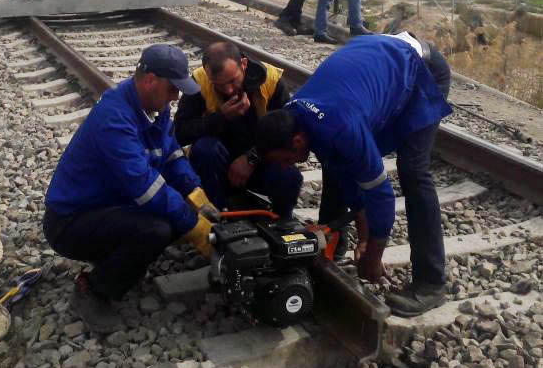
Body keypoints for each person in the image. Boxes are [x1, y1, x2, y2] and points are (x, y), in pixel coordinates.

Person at [254, 32, 452, 316]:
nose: (287, 166)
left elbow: (381, 194)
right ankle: (335, 243)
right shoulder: (297, 114)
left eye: (286, 160)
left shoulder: (340, 125)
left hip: (422, 69)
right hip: (380, 59)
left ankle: (432, 283)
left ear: (297, 141)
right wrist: (363, 233)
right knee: (337, 160)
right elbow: (340, 167)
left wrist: (373, 255)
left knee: (413, 171)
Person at [43, 44, 218, 333]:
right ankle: (94, 289)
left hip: (108, 204)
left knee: (174, 216)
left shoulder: (153, 108)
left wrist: (195, 194)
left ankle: (117, 258)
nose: (175, 98)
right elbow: (145, 187)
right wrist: (194, 226)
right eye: (172, 89)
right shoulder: (114, 119)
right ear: (150, 81)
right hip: (70, 221)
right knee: (158, 229)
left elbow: (172, 153)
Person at [174, 41, 302, 219]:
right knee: (205, 149)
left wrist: (251, 158)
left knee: (289, 175)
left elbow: (287, 134)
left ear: (243, 64)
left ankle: (283, 224)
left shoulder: (271, 81)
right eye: (219, 85)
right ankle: (217, 219)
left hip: (260, 164)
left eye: (233, 80)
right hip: (218, 167)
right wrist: (220, 117)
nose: (228, 89)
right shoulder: (200, 81)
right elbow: (180, 133)